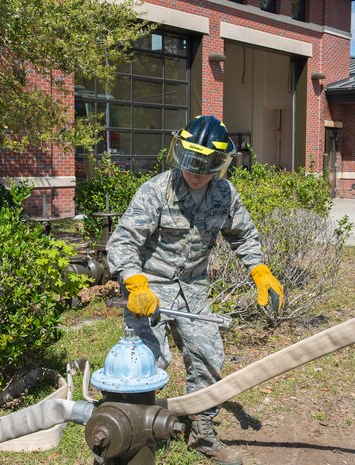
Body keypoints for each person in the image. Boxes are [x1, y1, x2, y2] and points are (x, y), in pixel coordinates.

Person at [106, 115, 284, 465]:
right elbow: (123, 241)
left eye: (205, 165)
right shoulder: (156, 190)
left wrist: (259, 269)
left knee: (208, 357)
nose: (195, 171)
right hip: (149, 286)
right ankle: (136, 436)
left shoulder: (224, 195)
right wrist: (134, 280)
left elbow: (243, 235)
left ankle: (201, 433)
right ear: (179, 153)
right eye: (190, 161)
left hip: (193, 288)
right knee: (144, 362)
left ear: (219, 164)